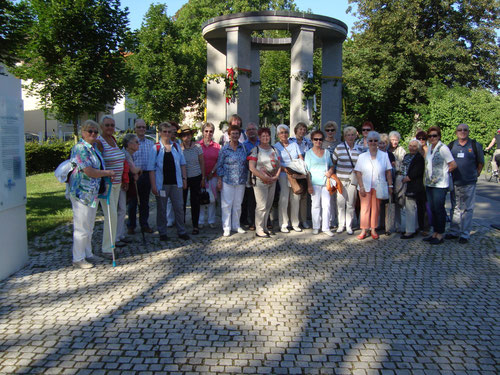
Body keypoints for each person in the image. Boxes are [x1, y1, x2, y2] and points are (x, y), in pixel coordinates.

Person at [68, 120, 115, 268]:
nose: (93, 134)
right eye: (90, 131)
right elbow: (89, 170)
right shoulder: (80, 148)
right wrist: (106, 173)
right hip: (82, 192)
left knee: (89, 226)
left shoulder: (94, 148)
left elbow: (99, 166)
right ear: (83, 132)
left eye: (95, 131)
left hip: (93, 192)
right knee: (81, 227)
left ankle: (88, 254)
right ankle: (78, 258)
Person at [148, 122, 190, 241]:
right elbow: (151, 169)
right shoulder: (155, 148)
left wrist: (184, 179)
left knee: (179, 208)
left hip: (176, 183)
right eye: (164, 131)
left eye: (169, 132)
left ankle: (181, 231)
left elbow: (182, 164)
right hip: (161, 184)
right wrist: (153, 186)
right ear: (160, 133)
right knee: (161, 209)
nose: (167, 134)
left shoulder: (176, 146)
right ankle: (162, 232)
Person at [445, 124, 484, 244]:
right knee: (455, 208)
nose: (462, 132)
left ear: (468, 131)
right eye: (460, 130)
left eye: (465, 130)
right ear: (456, 132)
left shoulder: (474, 145)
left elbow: (480, 163)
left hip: (469, 183)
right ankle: (454, 231)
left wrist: (475, 175)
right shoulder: (451, 146)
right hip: (455, 182)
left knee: (468, 209)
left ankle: (465, 234)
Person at [354, 131, 393, 240]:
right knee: (364, 208)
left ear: (378, 142)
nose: (373, 143)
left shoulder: (384, 155)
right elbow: (358, 172)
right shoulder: (362, 156)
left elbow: (388, 171)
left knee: (376, 209)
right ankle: (363, 229)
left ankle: (373, 229)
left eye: (375, 141)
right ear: (367, 141)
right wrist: (361, 186)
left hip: (378, 186)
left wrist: (390, 186)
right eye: (370, 140)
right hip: (364, 186)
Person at [95, 115, 125, 257]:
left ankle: (110, 245)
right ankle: (107, 248)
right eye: (107, 125)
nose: (110, 128)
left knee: (113, 215)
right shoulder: (99, 142)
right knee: (111, 215)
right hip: (107, 184)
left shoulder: (113, 140)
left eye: (112, 125)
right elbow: (98, 162)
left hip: (117, 184)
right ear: (101, 126)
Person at [423, 126, 457, 245]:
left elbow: (453, 164)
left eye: (435, 136)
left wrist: (444, 173)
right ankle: (435, 232)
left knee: (439, 209)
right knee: (432, 209)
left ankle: (440, 234)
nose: (432, 138)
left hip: (440, 185)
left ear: (439, 136)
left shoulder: (443, 148)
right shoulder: (430, 148)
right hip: (430, 183)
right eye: (430, 136)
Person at [247, 127, 281, 238]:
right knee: (261, 206)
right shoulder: (256, 150)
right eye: (263, 136)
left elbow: (279, 165)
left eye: (267, 135)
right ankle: (259, 229)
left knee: (268, 205)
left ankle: (265, 226)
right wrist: (264, 177)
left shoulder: (275, 150)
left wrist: (276, 176)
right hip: (260, 182)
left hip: (272, 181)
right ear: (259, 137)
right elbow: (252, 167)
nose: (265, 138)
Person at [216, 124, 248, 237]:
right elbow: (219, 165)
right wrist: (219, 180)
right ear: (229, 135)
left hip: (240, 180)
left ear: (239, 135)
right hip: (227, 180)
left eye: (237, 133)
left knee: (238, 204)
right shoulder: (224, 149)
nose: (235, 135)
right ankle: (226, 227)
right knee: (226, 205)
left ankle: (236, 225)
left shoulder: (243, 147)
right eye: (232, 133)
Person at [274, 124, 304, 233]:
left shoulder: (294, 144)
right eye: (281, 132)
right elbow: (276, 163)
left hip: (295, 173)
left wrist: (300, 167)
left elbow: (300, 158)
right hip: (283, 174)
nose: (284, 134)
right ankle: (284, 224)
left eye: (285, 132)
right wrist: (285, 169)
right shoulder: (276, 146)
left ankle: (295, 223)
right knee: (284, 199)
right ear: (278, 135)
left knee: (296, 198)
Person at [305, 130, 335, 237]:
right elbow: (307, 171)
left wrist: (330, 171)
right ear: (312, 140)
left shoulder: (326, 152)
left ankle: (326, 227)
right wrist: (309, 185)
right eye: (316, 139)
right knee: (315, 205)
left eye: (320, 139)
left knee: (327, 205)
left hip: (325, 182)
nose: (318, 141)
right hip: (314, 182)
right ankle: (316, 226)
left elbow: (331, 165)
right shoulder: (308, 154)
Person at [332, 126, 360, 235]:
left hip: (353, 180)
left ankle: (349, 225)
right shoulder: (339, 148)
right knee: (340, 203)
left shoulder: (359, 149)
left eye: (352, 135)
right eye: (348, 135)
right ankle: (340, 225)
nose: (350, 137)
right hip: (341, 180)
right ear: (345, 136)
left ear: (355, 136)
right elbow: (333, 163)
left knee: (350, 204)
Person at [128, 119, 154, 234]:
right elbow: (127, 160)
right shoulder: (130, 143)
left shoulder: (150, 143)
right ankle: (131, 225)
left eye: (143, 127)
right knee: (133, 202)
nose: (142, 129)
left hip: (146, 175)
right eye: (139, 127)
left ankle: (144, 224)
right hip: (134, 176)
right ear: (135, 129)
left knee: (145, 202)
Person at [179, 125, 205, 235]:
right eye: (184, 135)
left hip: (196, 176)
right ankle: (182, 224)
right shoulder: (179, 148)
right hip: (183, 178)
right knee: (182, 202)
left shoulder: (198, 147)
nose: (187, 137)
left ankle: (195, 225)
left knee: (195, 202)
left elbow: (202, 162)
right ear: (181, 137)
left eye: (189, 134)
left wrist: (203, 177)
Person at [116, 134, 141, 245]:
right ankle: (117, 236)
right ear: (129, 144)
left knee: (122, 210)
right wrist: (140, 170)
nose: (138, 144)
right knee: (120, 210)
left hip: (123, 184)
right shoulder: (125, 154)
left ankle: (120, 234)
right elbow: (134, 170)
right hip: (120, 185)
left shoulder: (129, 154)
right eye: (136, 142)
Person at [400, 139, 425, 239]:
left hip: (414, 186)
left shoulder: (419, 158)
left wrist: (407, 178)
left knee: (411, 208)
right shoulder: (406, 156)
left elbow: (417, 171)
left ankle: (410, 231)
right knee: (409, 208)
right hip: (406, 185)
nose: (412, 148)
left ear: (418, 148)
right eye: (410, 146)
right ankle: (413, 227)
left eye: (414, 146)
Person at [290, 122, 313, 229]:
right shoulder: (290, 141)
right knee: (295, 196)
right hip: (294, 169)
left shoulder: (308, 142)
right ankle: (294, 221)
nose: (302, 131)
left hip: (305, 170)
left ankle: (303, 220)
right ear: (296, 130)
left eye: (304, 129)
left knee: (304, 198)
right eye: (300, 129)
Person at [198, 122, 221, 229]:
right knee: (201, 199)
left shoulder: (217, 146)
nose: (208, 133)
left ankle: (211, 220)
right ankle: (200, 220)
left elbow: (219, 161)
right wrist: (202, 176)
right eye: (206, 131)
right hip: (200, 176)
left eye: (210, 131)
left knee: (212, 199)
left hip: (213, 176)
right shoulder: (198, 145)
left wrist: (212, 172)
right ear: (203, 132)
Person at [241, 122, 259, 230]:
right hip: (248, 174)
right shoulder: (243, 145)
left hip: (260, 173)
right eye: (249, 130)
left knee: (259, 199)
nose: (251, 131)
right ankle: (250, 220)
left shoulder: (261, 142)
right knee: (249, 199)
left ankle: (261, 220)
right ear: (246, 133)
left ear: (257, 131)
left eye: (253, 129)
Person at [377, 133, 397, 235]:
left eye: (384, 143)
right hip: (377, 182)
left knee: (387, 204)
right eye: (380, 143)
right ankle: (379, 224)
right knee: (378, 205)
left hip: (387, 182)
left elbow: (392, 170)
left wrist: (390, 184)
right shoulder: (374, 154)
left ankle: (387, 226)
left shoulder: (390, 155)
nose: (382, 145)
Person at [389, 131, 406, 232]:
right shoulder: (386, 149)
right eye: (392, 140)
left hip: (398, 178)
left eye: (396, 140)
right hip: (389, 177)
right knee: (389, 201)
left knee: (399, 202)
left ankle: (399, 225)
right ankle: (388, 224)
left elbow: (403, 164)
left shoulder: (401, 150)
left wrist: (397, 163)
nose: (394, 142)